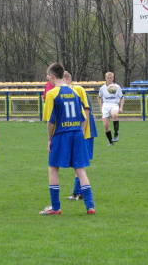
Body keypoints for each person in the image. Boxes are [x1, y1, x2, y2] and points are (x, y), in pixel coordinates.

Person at [40, 63, 95, 215]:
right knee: (80, 169)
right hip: (77, 134)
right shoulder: (75, 92)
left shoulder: (52, 94)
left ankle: (55, 207)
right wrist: (81, 133)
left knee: (53, 168)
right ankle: (90, 206)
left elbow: (50, 121)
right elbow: (84, 117)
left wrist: (49, 140)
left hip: (61, 134)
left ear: (52, 76)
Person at [62, 71, 98, 200]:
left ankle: (78, 192)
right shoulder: (63, 93)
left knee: (80, 163)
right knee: (78, 163)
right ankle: (78, 192)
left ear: (68, 80)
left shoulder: (78, 89)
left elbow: (87, 110)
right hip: (77, 132)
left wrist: (83, 130)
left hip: (85, 133)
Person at [98, 72, 124, 146]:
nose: (109, 79)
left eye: (111, 78)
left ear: (113, 78)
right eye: (108, 78)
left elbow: (122, 98)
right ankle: (110, 142)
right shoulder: (102, 88)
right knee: (106, 125)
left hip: (114, 104)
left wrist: (121, 107)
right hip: (105, 105)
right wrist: (100, 107)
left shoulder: (117, 87)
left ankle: (116, 134)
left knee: (114, 114)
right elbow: (99, 97)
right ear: (105, 78)